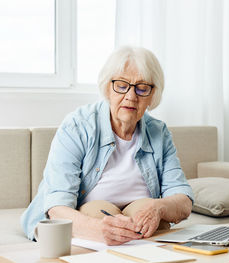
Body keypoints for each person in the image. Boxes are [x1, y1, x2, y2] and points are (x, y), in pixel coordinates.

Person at [21, 46, 194, 245]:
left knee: (151, 213)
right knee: (98, 214)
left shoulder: (159, 132)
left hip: (141, 228)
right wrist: (97, 229)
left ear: (152, 95)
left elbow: (183, 200)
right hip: (89, 219)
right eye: (121, 85)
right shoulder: (77, 126)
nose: (131, 96)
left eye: (142, 88)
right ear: (107, 88)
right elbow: (57, 207)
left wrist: (158, 208)